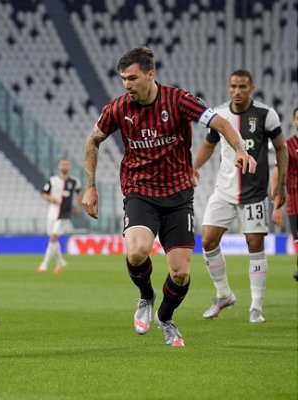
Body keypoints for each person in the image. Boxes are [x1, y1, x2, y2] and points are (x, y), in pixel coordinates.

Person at [82, 47, 256, 347]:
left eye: (132, 78)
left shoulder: (179, 100)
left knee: (181, 273)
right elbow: (93, 139)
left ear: (151, 75)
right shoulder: (118, 108)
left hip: (177, 194)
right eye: (123, 78)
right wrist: (90, 186)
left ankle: (165, 317)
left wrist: (240, 148)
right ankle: (147, 297)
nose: (126, 84)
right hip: (140, 192)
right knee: (136, 252)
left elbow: (221, 123)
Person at [193, 70, 288, 323]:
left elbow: (281, 148)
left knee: (254, 245)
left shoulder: (266, 115)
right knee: (208, 240)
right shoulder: (220, 115)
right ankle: (223, 294)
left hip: (254, 193)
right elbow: (209, 145)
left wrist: (280, 188)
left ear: (251, 88)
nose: (237, 91)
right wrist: (194, 167)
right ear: (228, 87)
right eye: (233, 86)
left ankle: (256, 307)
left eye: (242, 86)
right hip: (223, 191)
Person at [36, 157, 81, 274]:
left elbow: (79, 193)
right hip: (52, 212)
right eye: (62, 164)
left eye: (66, 164)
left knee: (53, 237)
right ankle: (60, 261)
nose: (64, 166)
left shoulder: (74, 181)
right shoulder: (52, 180)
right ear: (59, 166)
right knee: (52, 239)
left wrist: (77, 207)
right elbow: (43, 194)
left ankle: (44, 264)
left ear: (69, 167)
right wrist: (51, 198)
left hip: (64, 213)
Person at [271, 106, 298, 281]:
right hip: (295, 203)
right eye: (297, 118)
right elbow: (276, 176)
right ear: (294, 121)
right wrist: (277, 206)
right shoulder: (287, 146)